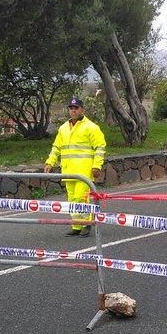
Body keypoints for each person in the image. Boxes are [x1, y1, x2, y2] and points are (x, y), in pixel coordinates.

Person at [43, 97, 106, 236]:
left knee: (81, 198)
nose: (73, 110)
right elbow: (56, 147)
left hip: (84, 171)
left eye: (76, 108)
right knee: (72, 200)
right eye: (71, 108)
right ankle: (77, 225)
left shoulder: (91, 127)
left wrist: (97, 166)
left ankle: (87, 224)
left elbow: (100, 147)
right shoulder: (63, 128)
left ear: (82, 109)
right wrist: (49, 162)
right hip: (68, 171)